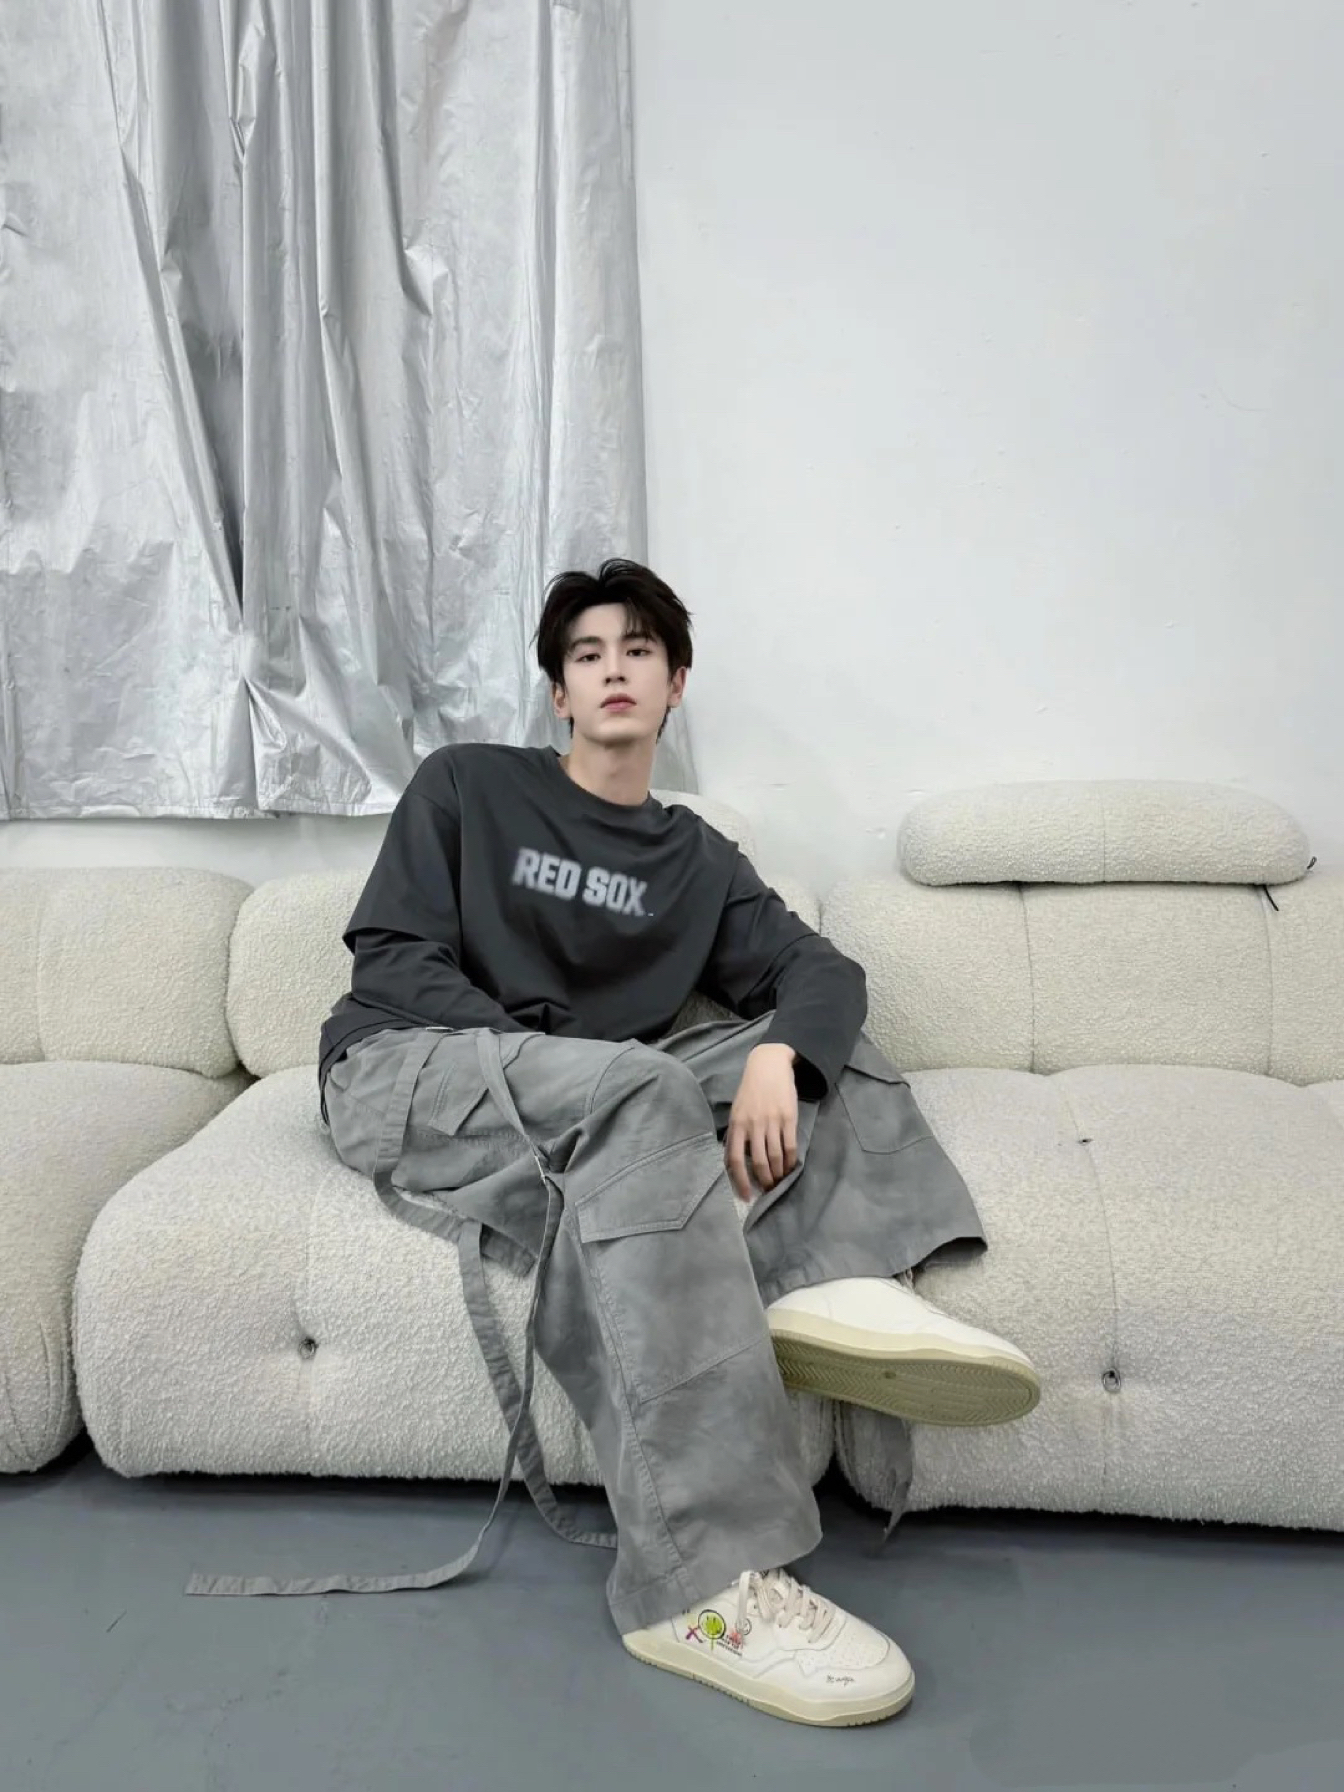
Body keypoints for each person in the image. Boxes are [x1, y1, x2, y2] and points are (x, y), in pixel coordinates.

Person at [195, 559, 1040, 1728]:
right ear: (559, 692)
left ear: (675, 682)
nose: (613, 670)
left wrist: (776, 1057)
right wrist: (568, 1064)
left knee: (829, 1051)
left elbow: (821, 972)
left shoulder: (695, 860)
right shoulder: (467, 786)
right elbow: (395, 960)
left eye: (639, 650)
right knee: (640, 1091)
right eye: (587, 654)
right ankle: (697, 1590)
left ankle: (825, 1280)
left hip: (592, 1089)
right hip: (406, 1066)